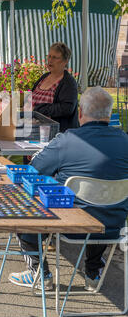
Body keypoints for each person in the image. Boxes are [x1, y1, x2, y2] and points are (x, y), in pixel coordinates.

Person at [9, 87, 128, 292]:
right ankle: (92, 272)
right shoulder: (125, 141)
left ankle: (40, 274)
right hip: (113, 226)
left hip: (68, 225)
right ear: (110, 115)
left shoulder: (67, 141)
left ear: (80, 113)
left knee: (25, 207)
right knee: (102, 205)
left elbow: (34, 170)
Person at [31, 42, 79, 132]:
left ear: (65, 61)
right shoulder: (44, 77)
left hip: (57, 134)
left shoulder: (68, 82)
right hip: (35, 132)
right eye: (49, 56)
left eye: (55, 57)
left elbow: (66, 109)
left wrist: (38, 109)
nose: (50, 60)